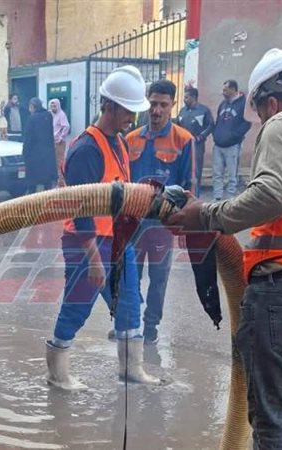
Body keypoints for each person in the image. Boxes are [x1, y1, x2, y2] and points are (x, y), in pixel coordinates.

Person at [166, 48, 282, 449]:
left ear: (269, 102)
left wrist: (206, 215)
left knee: (272, 424)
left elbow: (275, 194)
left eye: (260, 114)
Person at [46, 66, 163, 391]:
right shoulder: (86, 149)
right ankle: (57, 373)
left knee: (130, 303)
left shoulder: (119, 143)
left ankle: (131, 369)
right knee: (78, 304)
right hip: (86, 242)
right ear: (109, 106)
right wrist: (94, 259)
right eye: (128, 111)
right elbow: (80, 209)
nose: (133, 118)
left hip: (118, 240)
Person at [125, 79, 194, 345]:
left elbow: (189, 187)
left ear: (172, 105)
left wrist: (185, 226)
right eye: (153, 103)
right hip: (132, 222)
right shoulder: (131, 139)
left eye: (163, 105)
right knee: (129, 274)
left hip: (162, 224)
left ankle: (151, 326)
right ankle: (130, 323)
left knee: (159, 278)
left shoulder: (183, 140)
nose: (156, 110)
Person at [212, 79, 251, 200]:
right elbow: (218, 121)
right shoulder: (223, 104)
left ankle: (230, 199)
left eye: (225, 90)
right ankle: (217, 198)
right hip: (218, 145)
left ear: (233, 89)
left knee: (232, 175)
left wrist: (234, 136)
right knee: (217, 173)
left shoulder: (243, 104)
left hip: (232, 146)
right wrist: (216, 135)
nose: (223, 92)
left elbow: (247, 123)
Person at [177, 87, 214, 196]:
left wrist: (200, 137)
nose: (184, 99)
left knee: (195, 171)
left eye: (186, 97)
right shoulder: (182, 111)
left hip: (196, 147)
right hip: (182, 146)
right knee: (183, 170)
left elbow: (210, 125)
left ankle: (195, 196)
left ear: (194, 97)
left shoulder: (204, 110)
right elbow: (178, 127)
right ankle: (182, 196)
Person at [22, 98, 58, 192]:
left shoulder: (32, 119)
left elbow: (28, 138)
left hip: (34, 154)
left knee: (32, 182)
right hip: (47, 153)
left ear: (32, 107)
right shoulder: (48, 116)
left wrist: (25, 153)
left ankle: (32, 199)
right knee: (47, 182)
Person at [49, 98, 70, 186]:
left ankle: (61, 182)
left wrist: (61, 137)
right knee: (52, 162)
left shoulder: (61, 114)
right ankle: (55, 182)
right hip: (52, 141)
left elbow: (66, 126)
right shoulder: (50, 114)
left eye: (54, 106)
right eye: (51, 106)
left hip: (59, 142)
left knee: (59, 162)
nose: (53, 107)